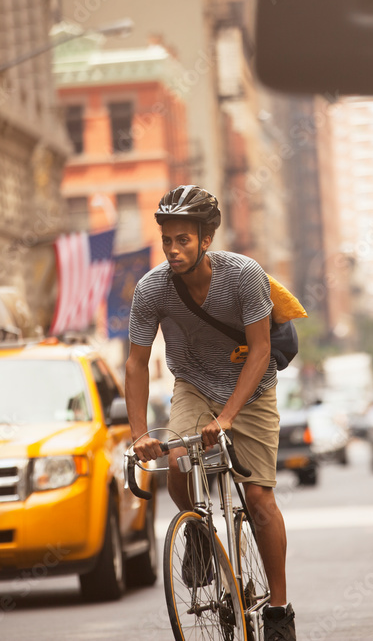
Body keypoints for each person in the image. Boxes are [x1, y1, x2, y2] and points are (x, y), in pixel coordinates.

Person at [126, 185, 296, 641]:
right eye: (167, 240)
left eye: (184, 239)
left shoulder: (243, 275)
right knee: (178, 458)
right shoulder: (151, 289)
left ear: (206, 239)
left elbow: (261, 350)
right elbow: (136, 363)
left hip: (252, 388)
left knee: (259, 499)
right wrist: (140, 433)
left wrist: (228, 418)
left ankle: (279, 610)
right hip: (194, 386)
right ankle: (199, 531)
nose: (174, 249)